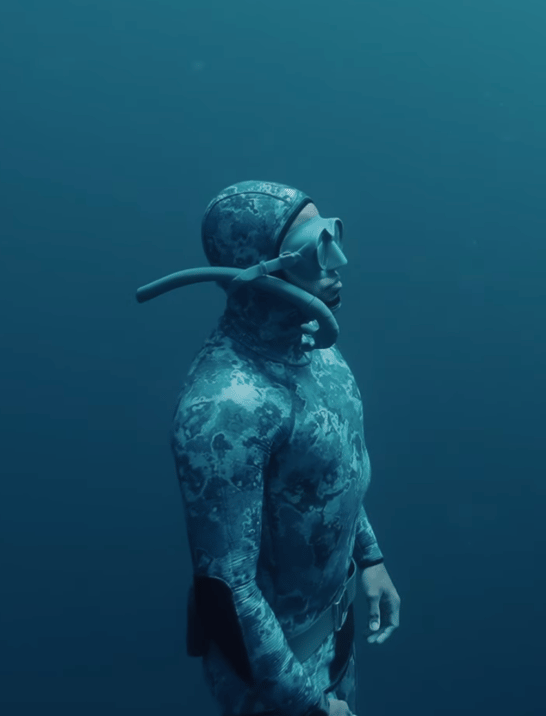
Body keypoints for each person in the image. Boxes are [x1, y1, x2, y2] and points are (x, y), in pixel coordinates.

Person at [142, 181, 400, 716]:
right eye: (316, 247)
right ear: (263, 268)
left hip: (333, 642)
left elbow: (330, 476)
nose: (339, 261)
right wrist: (307, 706)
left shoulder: (320, 358)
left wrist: (369, 557)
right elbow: (227, 593)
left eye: (335, 235)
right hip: (271, 685)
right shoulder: (225, 407)